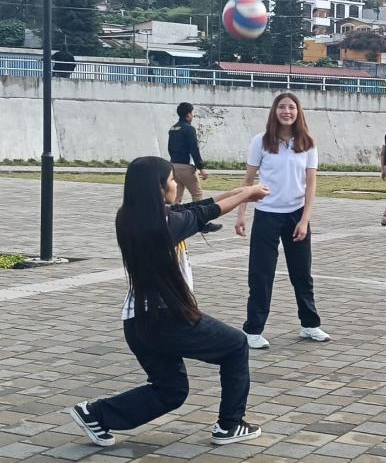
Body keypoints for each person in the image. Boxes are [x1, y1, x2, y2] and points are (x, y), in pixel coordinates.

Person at [69, 157, 268, 447]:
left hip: (137, 322)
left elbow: (195, 208)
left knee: (170, 390)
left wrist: (238, 192)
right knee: (236, 346)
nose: (176, 184)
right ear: (159, 188)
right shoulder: (164, 225)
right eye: (172, 180)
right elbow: (205, 213)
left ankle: (96, 414)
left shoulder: (130, 216)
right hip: (169, 320)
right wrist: (248, 194)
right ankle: (230, 425)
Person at [236, 93, 330, 349]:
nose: (286, 111)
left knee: (302, 273)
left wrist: (305, 220)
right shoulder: (261, 142)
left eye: (291, 107)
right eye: (282, 107)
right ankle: (253, 330)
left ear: (298, 112)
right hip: (267, 214)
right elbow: (248, 182)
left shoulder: (308, 143)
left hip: (296, 214)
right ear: (274, 111)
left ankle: (310, 324)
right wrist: (241, 213)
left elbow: (311, 184)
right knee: (261, 274)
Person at [168, 102, 222, 233]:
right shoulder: (189, 129)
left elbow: (169, 148)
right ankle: (202, 223)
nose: (193, 115)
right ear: (188, 114)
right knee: (197, 194)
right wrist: (201, 167)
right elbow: (194, 149)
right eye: (192, 113)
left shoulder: (173, 128)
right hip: (186, 167)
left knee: (177, 196)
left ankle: (170, 220)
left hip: (173, 165)